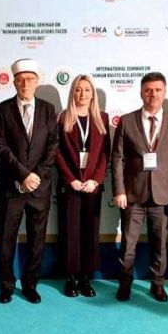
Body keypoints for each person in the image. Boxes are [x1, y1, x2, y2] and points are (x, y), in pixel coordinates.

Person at [112, 72, 168, 302]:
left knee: (160, 245)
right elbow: (117, 158)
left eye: (157, 90)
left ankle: (158, 284)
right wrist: (119, 190)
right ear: (141, 93)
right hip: (132, 196)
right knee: (128, 245)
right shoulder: (127, 121)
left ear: (164, 93)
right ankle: (125, 283)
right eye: (148, 90)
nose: (152, 94)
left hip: (163, 196)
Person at [0, 59, 59, 304]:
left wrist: (36, 176)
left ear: (37, 82)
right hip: (11, 186)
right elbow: (0, 145)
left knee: (37, 240)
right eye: (20, 80)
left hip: (39, 188)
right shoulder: (2, 110)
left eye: (30, 79)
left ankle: (30, 285)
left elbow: (52, 145)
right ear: (13, 82)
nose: (25, 84)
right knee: (6, 240)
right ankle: (6, 286)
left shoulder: (48, 109)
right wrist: (23, 174)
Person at [55, 75, 110, 298]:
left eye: (87, 89)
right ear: (72, 93)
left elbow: (105, 153)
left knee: (90, 232)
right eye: (78, 89)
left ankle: (86, 278)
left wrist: (95, 180)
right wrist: (71, 179)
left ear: (93, 93)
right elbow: (57, 153)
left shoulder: (102, 118)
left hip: (92, 187)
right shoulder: (63, 118)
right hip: (70, 186)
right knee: (70, 233)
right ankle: (70, 278)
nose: (83, 94)